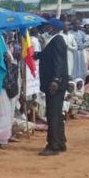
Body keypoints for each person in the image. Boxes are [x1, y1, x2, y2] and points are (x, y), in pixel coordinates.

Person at [37, 18, 69, 156]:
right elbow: (50, 57)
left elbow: (58, 62)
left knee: (53, 114)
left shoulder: (57, 41)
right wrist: (38, 55)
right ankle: (60, 141)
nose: (46, 28)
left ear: (53, 28)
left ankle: (53, 144)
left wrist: (55, 80)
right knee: (56, 113)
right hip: (54, 83)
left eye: (49, 26)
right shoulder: (54, 41)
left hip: (54, 84)